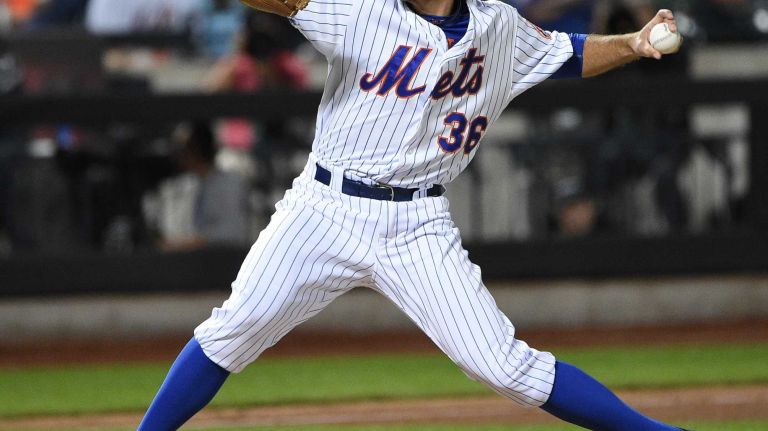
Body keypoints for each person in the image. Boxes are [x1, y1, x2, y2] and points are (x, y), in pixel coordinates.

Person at [138, 1, 688, 430]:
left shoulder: (499, 27)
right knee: (232, 330)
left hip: (418, 224)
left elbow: (569, 52)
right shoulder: (361, 9)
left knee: (506, 368)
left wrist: (635, 43)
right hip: (325, 209)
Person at [143, 122, 250, 251]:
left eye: (183, 148)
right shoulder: (185, 184)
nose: (178, 154)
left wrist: (187, 244)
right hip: (190, 261)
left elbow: (232, 231)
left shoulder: (230, 183)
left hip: (223, 261)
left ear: (196, 150)